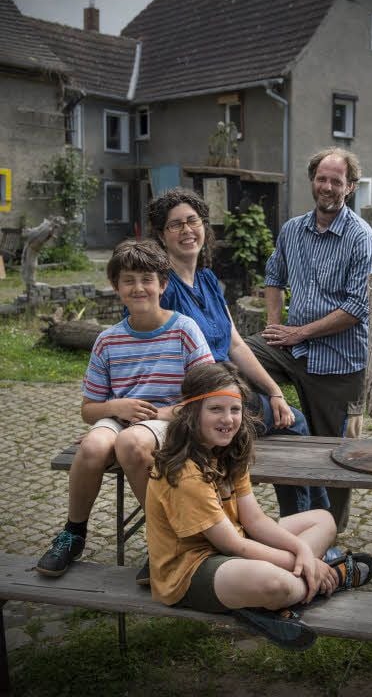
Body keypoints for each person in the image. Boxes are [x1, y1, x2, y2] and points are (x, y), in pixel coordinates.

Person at [146, 187, 329, 521]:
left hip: (227, 388)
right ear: (161, 235)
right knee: (295, 425)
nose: (187, 230)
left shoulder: (207, 280)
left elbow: (236, 344)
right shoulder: (163, 289)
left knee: (290, 418)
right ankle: (307, 523)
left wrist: (274, 391)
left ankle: (308, 522)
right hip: (200, 400)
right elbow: (154, 353)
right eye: (175, 225)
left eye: (193, 221)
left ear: (204, 226)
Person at [36, 239, 214, 577]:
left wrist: (160, 414)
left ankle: (164, 540)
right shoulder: (108, 340)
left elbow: (208, 397)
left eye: (147, 279)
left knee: (131, 443)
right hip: (121, 416)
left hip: (171, 418)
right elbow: (89, 411)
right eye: (128, 280)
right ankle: (73, 533)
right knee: (92, 446)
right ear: (115, 287)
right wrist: (116, 405)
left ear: (163, 284)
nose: (138, 288)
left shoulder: (184, 330)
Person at [146, 361, 372, 619]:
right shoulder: (186, 473)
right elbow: (234, 546)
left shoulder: (228, 451)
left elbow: (254, 520)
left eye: (235, 409)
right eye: (215, 409)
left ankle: (284, 592)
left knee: (323, 520)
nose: (228, 419)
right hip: (192, 568)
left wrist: (301, 551)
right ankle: (328, 578)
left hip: (238, 546)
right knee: (275, 583)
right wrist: (307, 560)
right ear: (191, 412)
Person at [247, 147, 372, 533]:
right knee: (232, 359)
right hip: (292, 349)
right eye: (322, 178)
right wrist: (275, 327)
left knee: (335, 453)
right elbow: (274, 276)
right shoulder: (292, 229)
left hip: (338, 360)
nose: (328, 186)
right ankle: (275, 420)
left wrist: (298, 332)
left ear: (350, 187)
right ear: (312, 180)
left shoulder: (361, 238)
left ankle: (329, 534)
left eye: (337, 181)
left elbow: (357, 308)